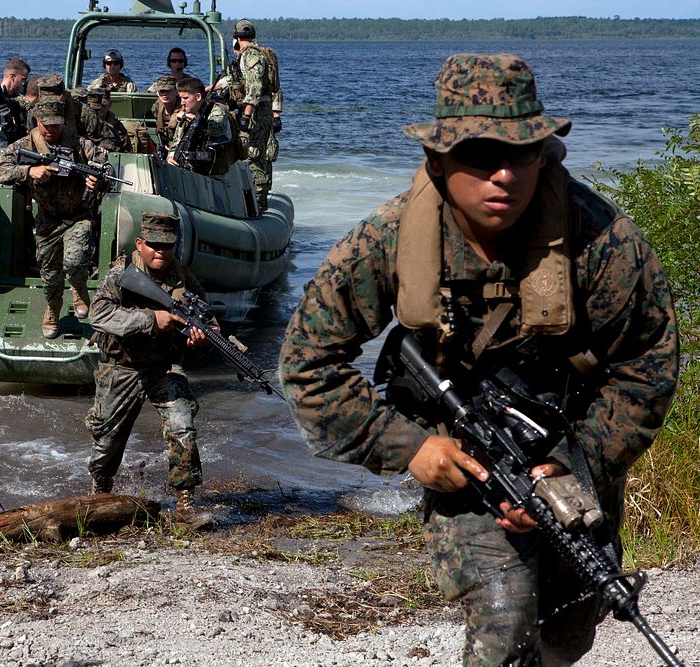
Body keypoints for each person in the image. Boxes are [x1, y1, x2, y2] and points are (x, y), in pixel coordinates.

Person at [278, 53, 679, 666]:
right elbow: (307, 362)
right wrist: (410, 448)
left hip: (574, 443)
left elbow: (647, 362)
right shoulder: (384, 241)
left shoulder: (602, 240)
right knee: (506, 613)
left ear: (543, 154)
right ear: (437, 160)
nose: (503, 175)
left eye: (522, 154)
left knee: (574, 620)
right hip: (462, 454)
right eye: (479, 154)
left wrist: (579, 465)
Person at [85, 212, 215, 513]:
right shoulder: (121, 275)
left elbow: (206, 321)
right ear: (140, 243)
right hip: (122, 366)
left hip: (164, 366)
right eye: (154, 245)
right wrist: (150, 319)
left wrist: (200, 340)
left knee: (183, 426)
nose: (161, 252)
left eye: (167, 246)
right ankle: (99, 493)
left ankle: (185, 503)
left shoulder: (184, 279)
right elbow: (99, 316)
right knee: (106, 441)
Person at [0, 100, 111, 339]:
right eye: (46, 126)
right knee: (50, 273)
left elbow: (106, 168)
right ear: (37, 121)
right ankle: (52, 309)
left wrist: (98, 181)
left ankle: (79, 288)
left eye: (56, 126)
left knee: (75, 261)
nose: (51, 131)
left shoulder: (80, 144)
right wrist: (28, 172)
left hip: (79, 216)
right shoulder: (25, 145)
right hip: (47, 220)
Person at [231, 19, 274, 212]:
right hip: (258, 109)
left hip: (256, 112)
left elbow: (255, 87)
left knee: (255, 154)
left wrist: (246, 116)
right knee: (253, 154)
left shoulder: (250, 56)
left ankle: (259, 202)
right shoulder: (251, 55)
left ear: (236, 38)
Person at [166, 77, 237, 178]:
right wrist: (171, 156)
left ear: (198, 97)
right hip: (189, 169)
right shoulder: (186, 114)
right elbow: (177, 140)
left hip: (214, 172)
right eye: (180, 98)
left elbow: (216, 129)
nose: (182, 102)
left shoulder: (217, 112)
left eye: (185, 98)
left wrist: (193, 119)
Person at [82, 87, 132, 152]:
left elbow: (124, 149)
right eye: (94, 108)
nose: (100, 109)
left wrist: (105, 147)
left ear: (110, 104)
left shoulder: (117, 126)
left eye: (103, 105)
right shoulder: (84, 120)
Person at [150, 75, 181, 146]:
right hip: (164, 143)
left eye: (168, 91)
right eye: (161, 91)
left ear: (176, 92)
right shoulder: (156, 107)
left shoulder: (184, 107)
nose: (164, 94)